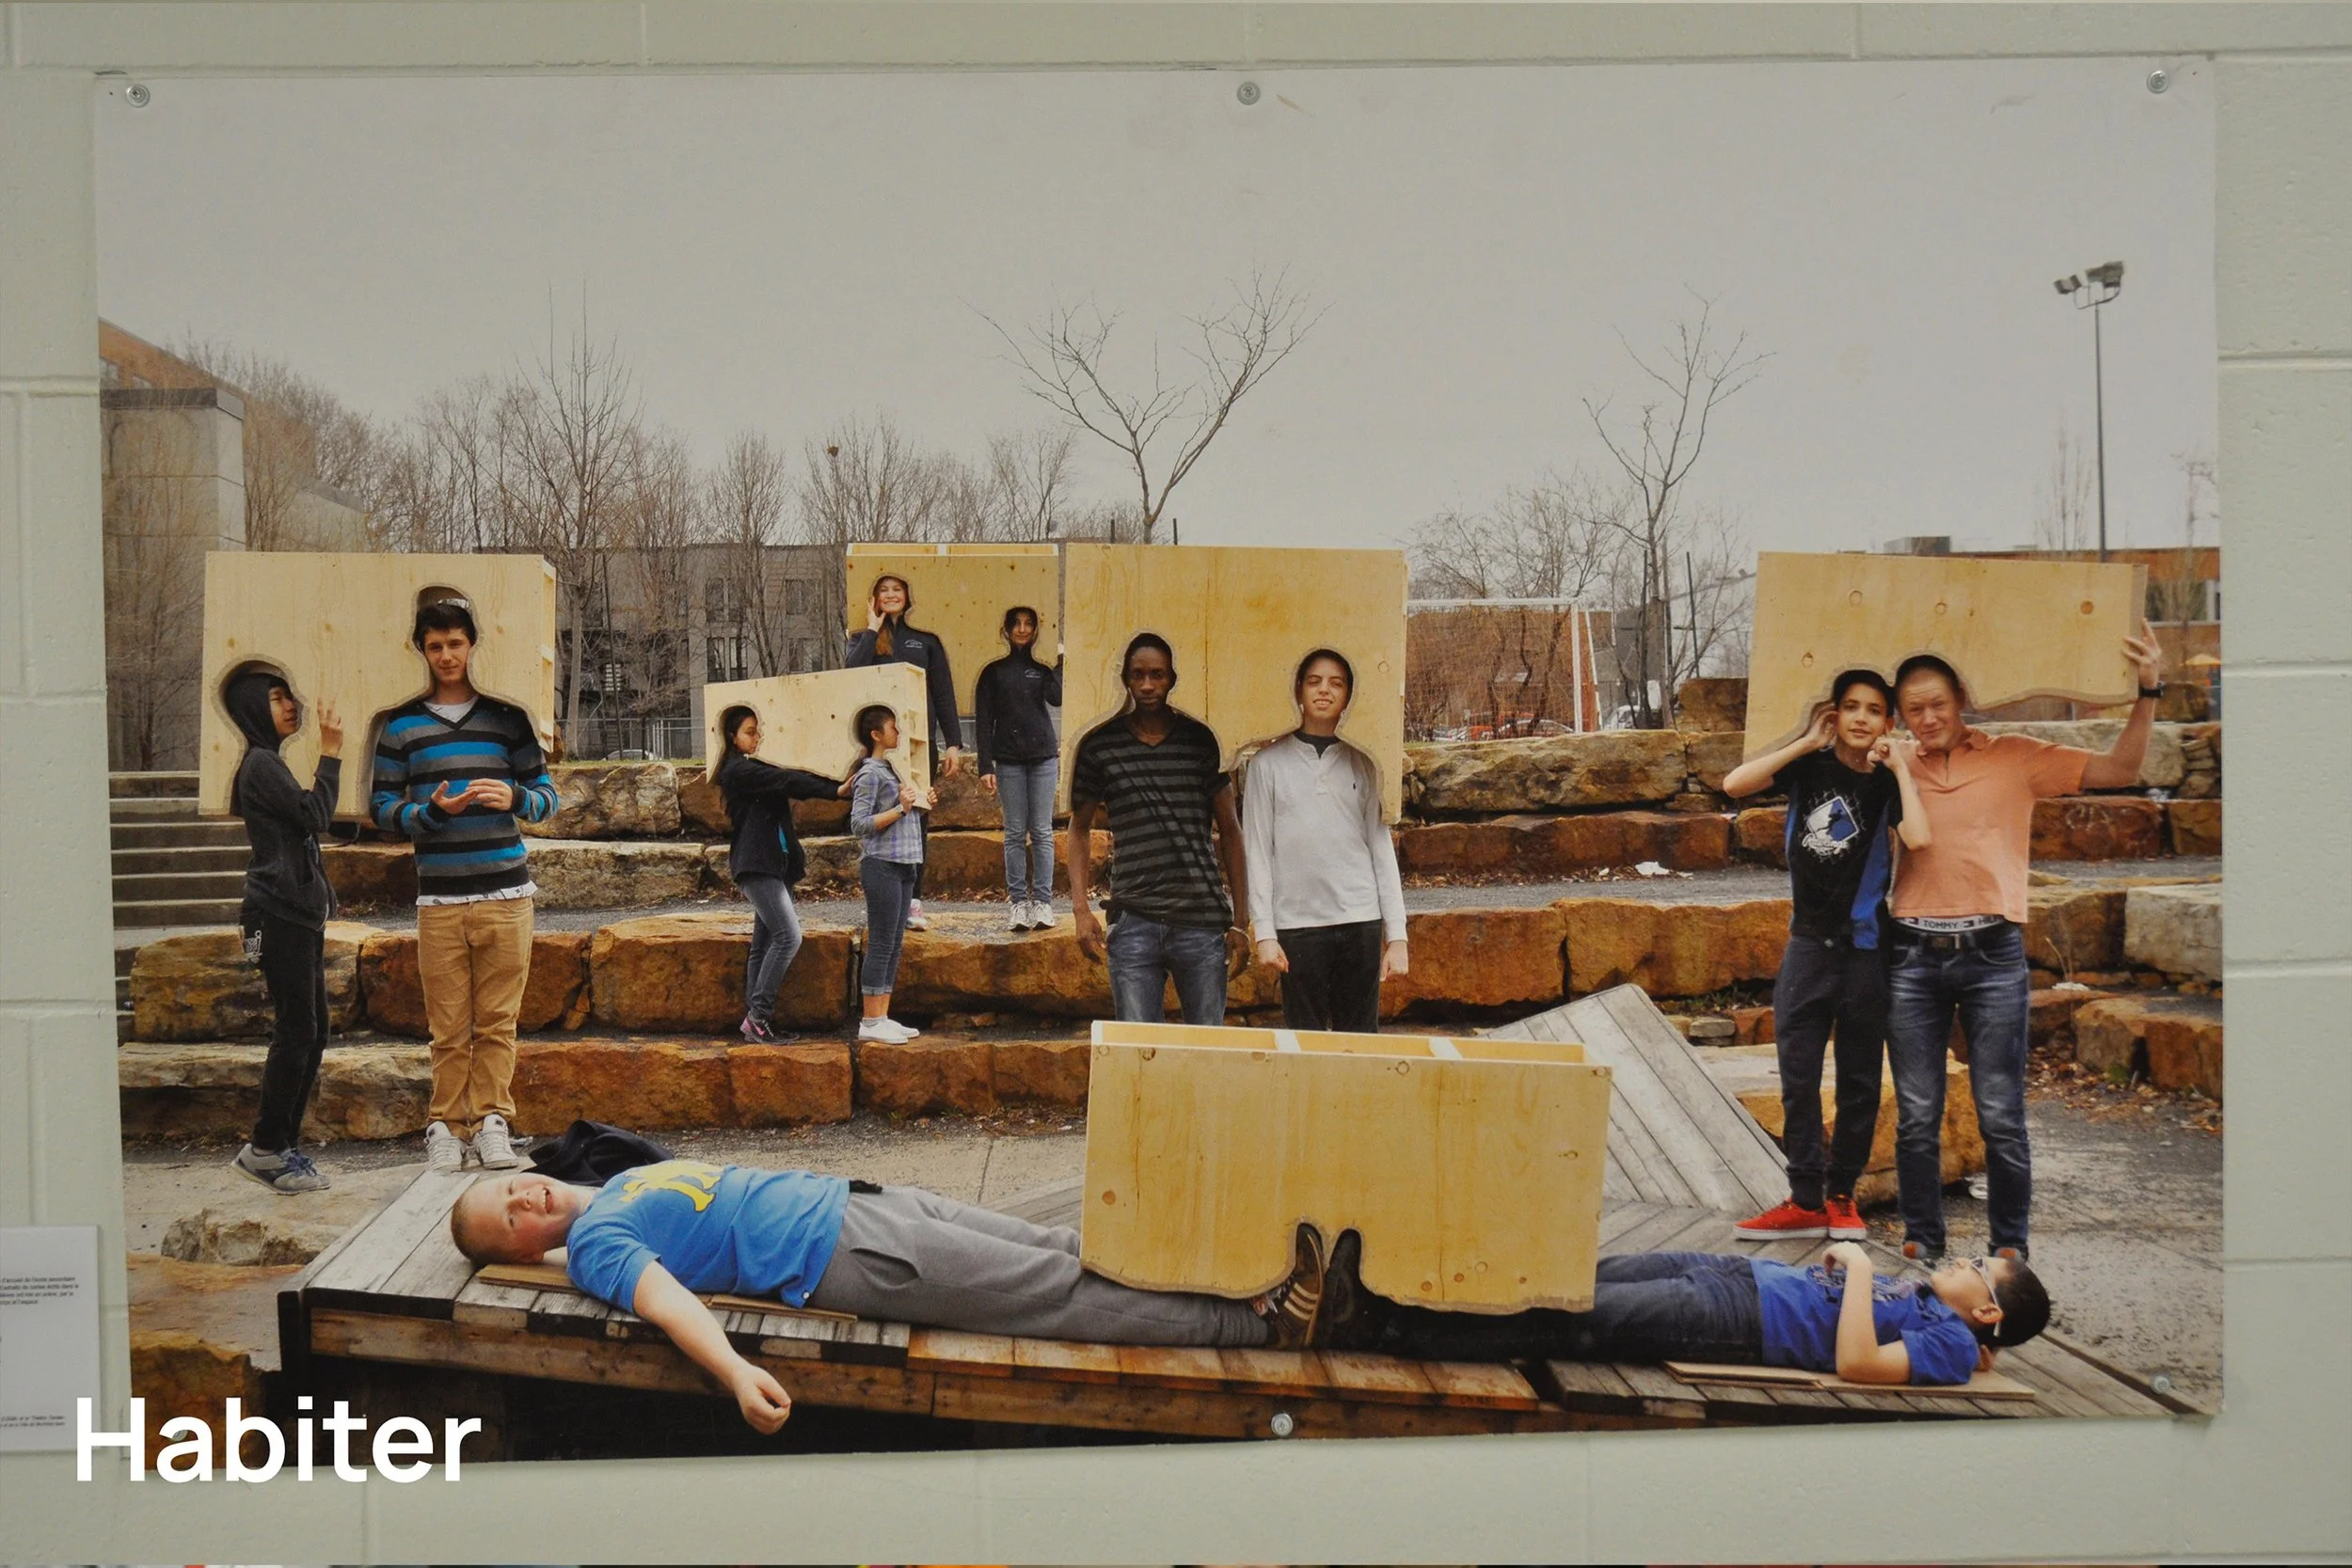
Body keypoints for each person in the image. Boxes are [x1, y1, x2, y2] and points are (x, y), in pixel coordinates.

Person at [450, 1162, 1328, 1432]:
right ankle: (1252, 1321)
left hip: (862, 1201)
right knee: (1052, 1293)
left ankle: (1247, 1284)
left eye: (510, 1188)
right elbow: (668, 1300)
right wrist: (733, 1372)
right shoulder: (598, 1246)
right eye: (507, 1218)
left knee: (1061, 1244)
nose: (523, 1200)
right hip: (849, 1254)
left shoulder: (617, 1181)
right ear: (522, 1246)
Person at [1883, 626, 2168, 1264]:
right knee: (1918, 1115)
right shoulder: (1894, 763)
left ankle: (2009, 1249)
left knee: (2001, 1115)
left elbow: (2122, 769)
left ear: (1962, 697)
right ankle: (1922, 1242)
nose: (1927, 718)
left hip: (1992, 957)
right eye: (1913, 708)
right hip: (1912, 957)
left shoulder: (2016, 756)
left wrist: (2148, 688)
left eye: (1938, 704)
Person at [1720, 671, 1930, 1243]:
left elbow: (1919, 839)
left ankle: (1841, 1198)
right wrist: (1809, 740)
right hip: (1808, 948)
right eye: (1850, 707)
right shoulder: (1809, 768)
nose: (1861, 718)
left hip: (1865, 950)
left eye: (1875, 710)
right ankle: (1805, 1197)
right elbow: (1735, 784)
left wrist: (1902, 769)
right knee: (1798, 1076)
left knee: (1860, 1078)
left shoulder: (1886, 784)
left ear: (1889, 722)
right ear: (1833, 713)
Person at [1319, 1231, 2049, 1387]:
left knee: (1570, 1319)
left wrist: (1860, 1266)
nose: (1958, 1261)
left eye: (1973, 1269)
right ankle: (1403, 1293)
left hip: (1736, 1322)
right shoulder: (1955, 1328)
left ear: (1986, 1311)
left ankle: (1379, 1322)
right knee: (1569, 1271)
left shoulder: (1951, 1341)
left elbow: (1857, 1361)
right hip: (1733, 1276)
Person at [371, 597, 561, 1175]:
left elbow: (547, 798)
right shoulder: (401, 725)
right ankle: (446, 1128)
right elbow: (381, 807)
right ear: (421, 651)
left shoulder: (509, 719)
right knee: (448, 1027)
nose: (447, 655)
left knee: (499, 1022)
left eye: (456, 643)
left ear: (472, 646)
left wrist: (517, 799)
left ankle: (493, 1123)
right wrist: (428, 813)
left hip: (507, 897)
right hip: (440, 901)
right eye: (435, 646)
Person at [1067, 634, 1248, 1026]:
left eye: (1157, 675)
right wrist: (1081, 911)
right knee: (1137, 1058)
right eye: (1138, 675)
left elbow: (1230, 831)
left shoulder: (1202, 741)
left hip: (1199, 920)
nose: (1148, 685)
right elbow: (1078, 829)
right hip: (1134, 920)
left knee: (1207, 1053)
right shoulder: (1100, 746)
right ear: (1126, 680)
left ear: (1172, 678)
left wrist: (1241, 920)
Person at [222, 668, 343, 1195]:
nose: (290, 706)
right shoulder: (260, 764)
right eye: (277, 699)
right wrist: (333, 752)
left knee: (314, 1031)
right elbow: (313, 813)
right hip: (276, 915)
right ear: (253, 709)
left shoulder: (271, 764)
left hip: (294, 913)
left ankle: (282, 1147)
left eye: (289, 695)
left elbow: (305, 824)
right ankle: (266, 1149)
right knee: (296, 1031)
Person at [1243, 649, 1408, 1032]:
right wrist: (1265, 932)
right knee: (1307, 1048)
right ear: (1299, 689)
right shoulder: (1267, 766)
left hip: (1359, 920)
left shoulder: (1365, 763)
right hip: (1298, 926)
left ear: (1349, 695)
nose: (1324, 691)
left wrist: (1397, 936)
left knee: (1361, 1045)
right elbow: (1258, 853)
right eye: (1314, 681)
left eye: (1336, 683)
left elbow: (1380, 849)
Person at [713, 705, 850, 1044]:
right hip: (757, 866)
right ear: (731, 737)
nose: (756, 737)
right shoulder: (737, 771)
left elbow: (789, 780)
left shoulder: (755, 768)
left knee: (764, 944)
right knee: (790, 937)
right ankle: (758, 1017)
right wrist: (835, 790)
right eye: (749, 732)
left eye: (758, 730)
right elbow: (788, 779)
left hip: (774, 866)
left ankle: (755, 1022)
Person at [844, 573, 962, 930]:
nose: (891, 595)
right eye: (883, 590)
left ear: (908, 596)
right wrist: (870, 629)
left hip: (915, 746)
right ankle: (883, 898)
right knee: (881, 819)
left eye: (897, 590)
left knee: (916, 820)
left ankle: (913, 900)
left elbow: (943, 693)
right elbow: (851, 674)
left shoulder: (925, 642)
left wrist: (953, 743)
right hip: (879, 750)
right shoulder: (860, 640)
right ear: (874, 599)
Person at [973, 605, 1063, 932]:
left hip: (1042, 757)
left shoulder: (1041, 668)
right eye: (1017, 624)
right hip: (1008, 760)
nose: (1023, 630)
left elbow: (1057, 698)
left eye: (1029, 624)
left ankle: (1042, 903)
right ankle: (1018, 904)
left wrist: (1060, 664)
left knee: (1041, 831)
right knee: (1014, 832)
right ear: (1006, 629)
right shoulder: (993, 670)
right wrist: (985, 764)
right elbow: (983, 719)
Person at [849, 704, 927, 1043]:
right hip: (881, 865)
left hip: (905, 864)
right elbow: (859, 824)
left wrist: (921, 801)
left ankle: (883, 1015)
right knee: (881, 944)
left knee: (894, 944)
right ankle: (869, 1020)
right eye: (893, 728)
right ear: (876, 734)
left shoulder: (895, 771)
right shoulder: (869, 775)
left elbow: (905, 811)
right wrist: (900, 808)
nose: (898, 733)